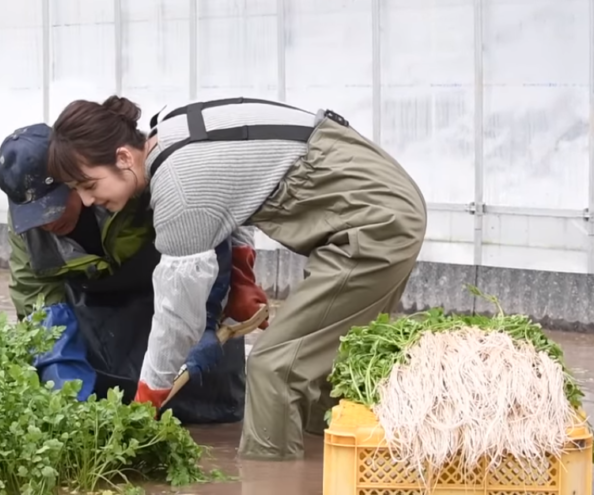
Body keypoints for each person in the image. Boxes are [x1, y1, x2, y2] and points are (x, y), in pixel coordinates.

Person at [44, 96, 427, 461]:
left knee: (273, 369)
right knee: (319, 375)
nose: (89, 201)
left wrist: (148, 397)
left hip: (375, 223)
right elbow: (238, 192)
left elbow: (177, 319)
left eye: (89, 185)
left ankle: (267, 473)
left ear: (124, 157)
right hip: (369, 204)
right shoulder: (172, 132)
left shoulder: (177, 187)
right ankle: (323, 467)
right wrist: (243, 273)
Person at [0, 122, 269, 423]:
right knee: (116, 415)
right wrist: (70, 403)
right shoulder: (26, 224)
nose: (46, 223)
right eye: (35, 214)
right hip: (110, 328)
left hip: (185, 301)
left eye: (53, 206)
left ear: (72, 177)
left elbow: (212, 224)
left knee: (212, 429)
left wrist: (228, 294)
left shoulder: (132, 177)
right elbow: (40, 303)